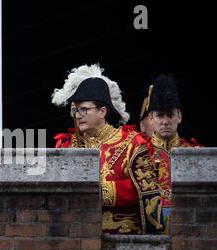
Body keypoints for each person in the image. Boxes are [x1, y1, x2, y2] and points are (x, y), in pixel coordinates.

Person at [52, 64, 164, 235]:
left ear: (102, 111)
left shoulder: (133, 143)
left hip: (124, 239)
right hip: (79, 239)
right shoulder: (70, 146)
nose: (78, 115)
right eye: (76, 110)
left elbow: (147, 193)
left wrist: (98, 191)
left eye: (84, 109)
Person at [146, 74, 202, 235]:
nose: (165, 121)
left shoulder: (195, 153)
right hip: (150, 226)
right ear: (150, 118)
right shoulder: (138, 153)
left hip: (190, 225)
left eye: (170, 115)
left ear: (179, 116)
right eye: (160, 115)